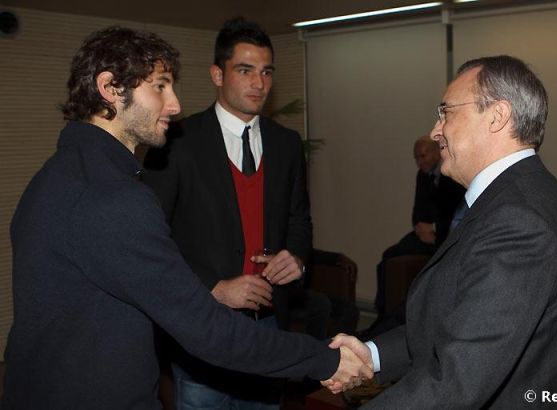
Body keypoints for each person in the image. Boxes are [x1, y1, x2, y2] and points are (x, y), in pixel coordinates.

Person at [0, 26, 371, 410]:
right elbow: (207, 329)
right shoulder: (113, 198)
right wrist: (325, 359)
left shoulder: (55, 175)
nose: (175, 105)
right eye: (160, 87)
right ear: (110, 88)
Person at [325, 55, 557, 408]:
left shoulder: (520, 221)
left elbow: (456, 382)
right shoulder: (516, 199)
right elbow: (459, 323)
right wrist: (372, 354)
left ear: (497, 116)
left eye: (446, 112)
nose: (435, 131)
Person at [143, 17, 313, 409]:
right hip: (203, 325)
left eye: (266, 72)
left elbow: (299, 219)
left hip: (268, 325)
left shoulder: (286, 143)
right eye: (245, 70)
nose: (259, 83)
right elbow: (151, 238)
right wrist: (213, 288)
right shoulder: (176, 141)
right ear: (218, 75)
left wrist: (297, 259)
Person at [371, 137, 464, 322]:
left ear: (437, 152)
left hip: (447, 235)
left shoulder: (453, 174)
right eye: (416, 158)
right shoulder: (422, 176)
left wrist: (436, 230)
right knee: (388, 256)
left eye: (423, 156)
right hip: (423, 234)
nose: (419, 162)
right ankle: (383, 314)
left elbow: (458, 213)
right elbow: (417, 212)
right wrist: (422, 230)